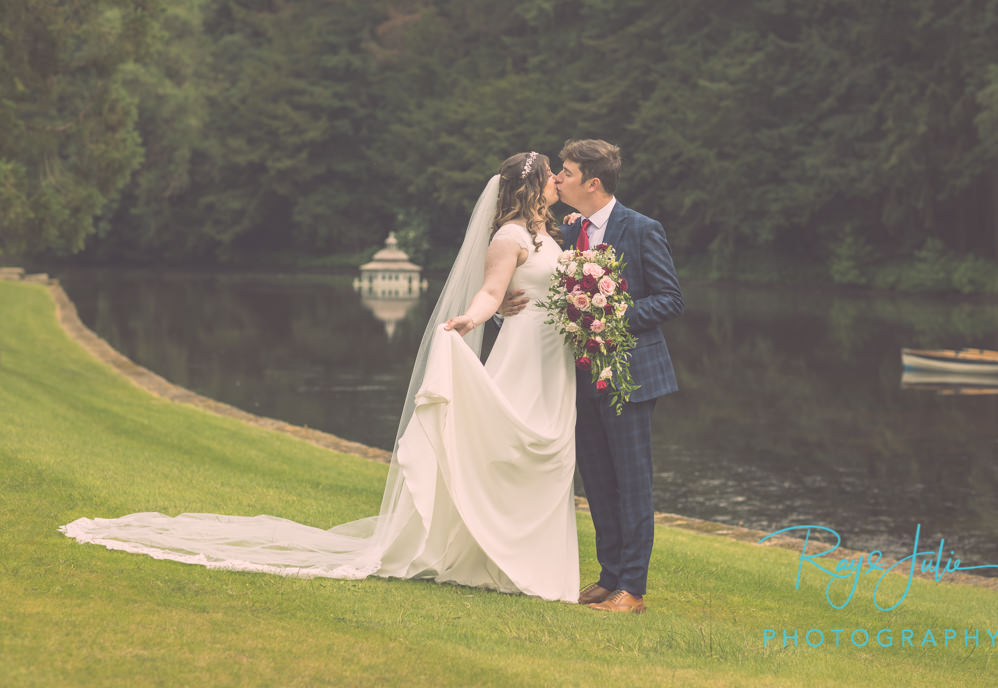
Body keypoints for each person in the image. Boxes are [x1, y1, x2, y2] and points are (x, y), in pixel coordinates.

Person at [60, 152, 582, 602]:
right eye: (551, 177)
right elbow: (493, 292)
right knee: (512, 449)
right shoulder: (510, 236)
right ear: (532, 187)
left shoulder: (548, 236)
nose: (559, 181)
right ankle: (501, 561)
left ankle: (532, 564)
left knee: (546, 454)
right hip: (520, 354)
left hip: (550, 355)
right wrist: (472, 317)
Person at [556, 138, 684, 614]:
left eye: (566, 172)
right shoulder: (569, 233)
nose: (558, 179)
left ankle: (633, 588)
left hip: (631, 377)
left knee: (632, 484)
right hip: (579, 378)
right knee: (597, 481)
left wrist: (609, 316)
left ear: (593, 182)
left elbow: (670, 299)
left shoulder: (643, 229)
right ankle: (608, 577)